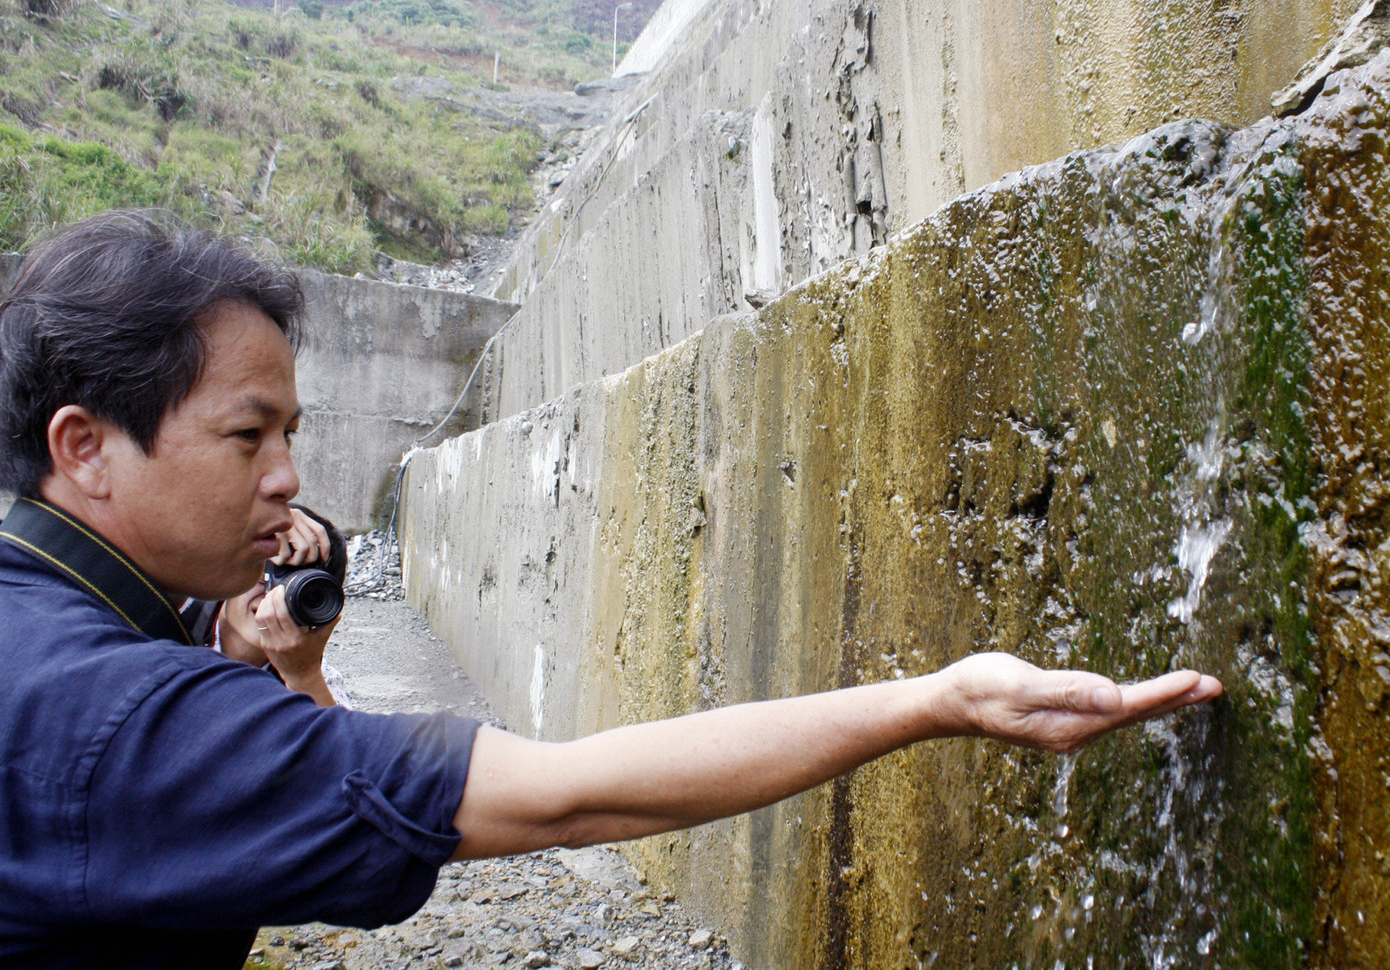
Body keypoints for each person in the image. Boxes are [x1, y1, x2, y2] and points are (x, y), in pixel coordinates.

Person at [0, 211, 1223, 968]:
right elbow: (570, 799)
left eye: (291, 433)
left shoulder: (56, 627)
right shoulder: (120, 723)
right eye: (248, 436)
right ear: (85, 445)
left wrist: (292, 675)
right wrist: (936, 698)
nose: (290, 479)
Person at [215, 503, 353, 708]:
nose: (274, 597)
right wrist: (251, 519)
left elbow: (338, 740)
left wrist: (305, 680)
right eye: (266, 574)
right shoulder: (173, 626)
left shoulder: (314, 678)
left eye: (299, 588)